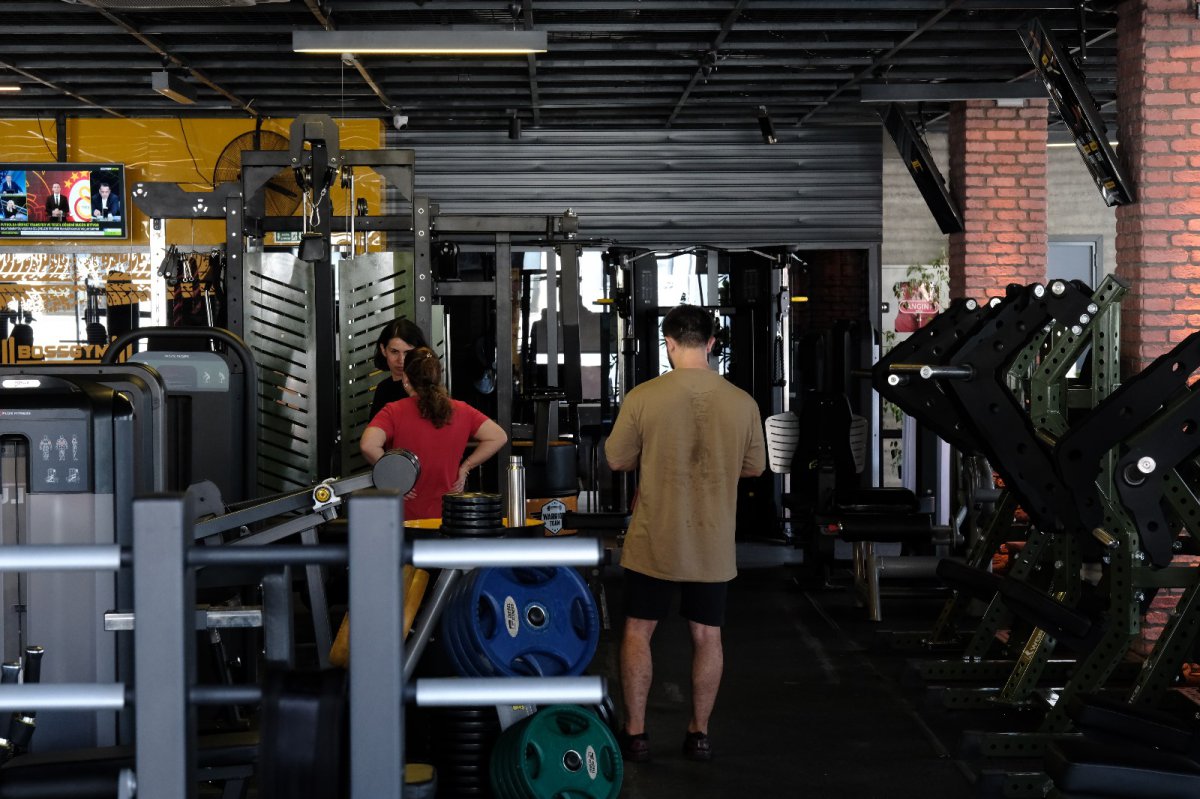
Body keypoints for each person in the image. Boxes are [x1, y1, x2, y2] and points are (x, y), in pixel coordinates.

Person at [604, 304, 765, 765]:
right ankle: (699, 734)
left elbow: (616, 459)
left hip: (655, 535)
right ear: (711, 343)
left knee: (638, 632)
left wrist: (656, 453)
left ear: (669, 344)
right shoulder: (743, 402)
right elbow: (755, 467)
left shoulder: (643, 397)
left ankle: (636, 734)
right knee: (707, 636)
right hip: (713, 540)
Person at [360, 346, 507, 520]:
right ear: (438, 377)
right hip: (448, 517)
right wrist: (466, 467)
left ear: (405, 378)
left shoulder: (394, 410)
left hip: (404, 518)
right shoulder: (462, 410)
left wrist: (394, 477)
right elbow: (499, 436)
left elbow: (368, 445)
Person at [368, 317, 430, 421]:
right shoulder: (383, 389)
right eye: (394, 351)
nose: (401, 360)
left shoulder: (428, 387)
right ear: (383, 350)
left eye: (408, 353)